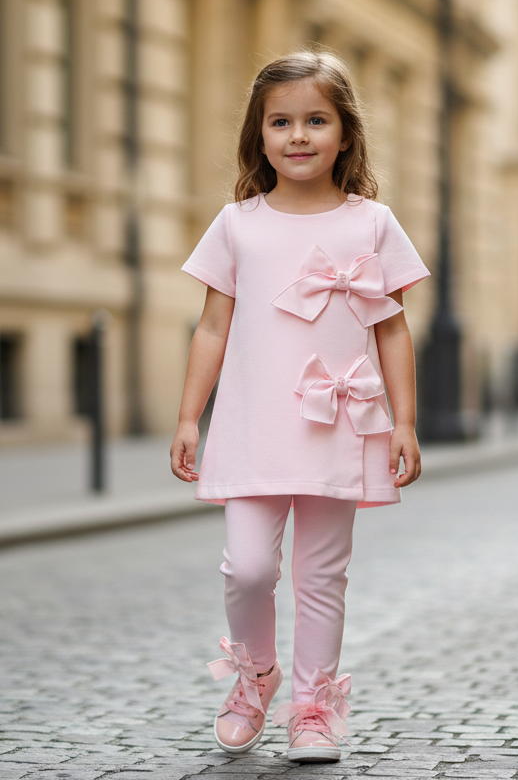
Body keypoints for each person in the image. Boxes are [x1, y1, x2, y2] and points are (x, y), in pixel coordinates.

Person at [170, 48, 430, 763]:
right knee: (247, 567)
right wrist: (191, 415)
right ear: (259, 135)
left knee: (322, 575)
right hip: (254, 424)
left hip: (340, 424)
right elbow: (213, 325)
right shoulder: (237, 224)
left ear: (345, 132)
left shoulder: (372, 223)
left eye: (316, 120)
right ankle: (255, 675)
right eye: (280, 122)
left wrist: (404, 421)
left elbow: (392, 327)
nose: (299, 135)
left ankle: (313, 707)